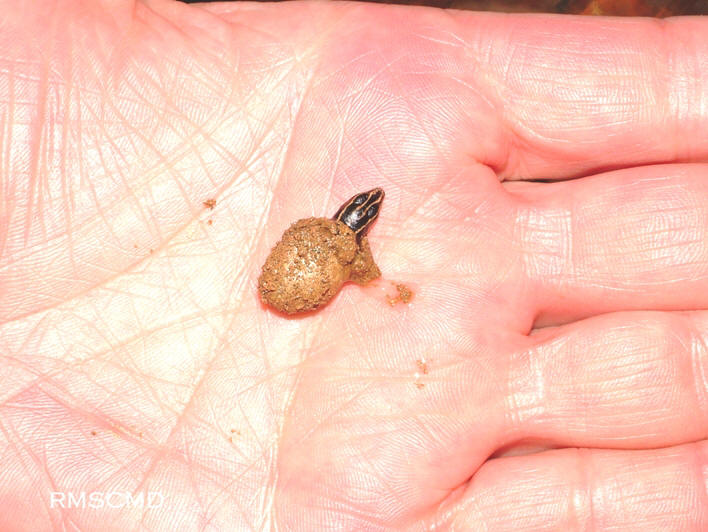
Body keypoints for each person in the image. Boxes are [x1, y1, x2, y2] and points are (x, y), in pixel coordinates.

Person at [0, 1, 705, 530]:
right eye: (365, 215)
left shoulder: (341, 243)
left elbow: (353, 251)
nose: (368, 214)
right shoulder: (332, 243)